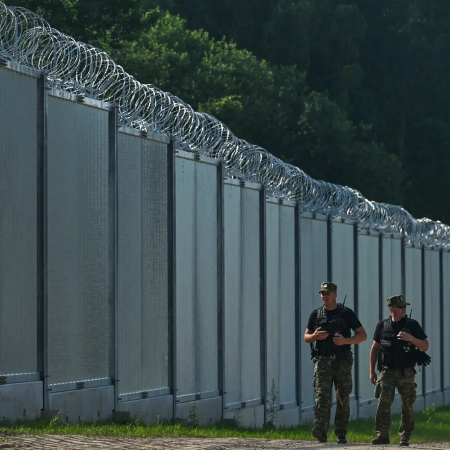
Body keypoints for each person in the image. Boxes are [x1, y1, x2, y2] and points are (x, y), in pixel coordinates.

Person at [304, 282, 367, 444]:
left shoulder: (346, 313)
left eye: (327, 293)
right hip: (323, 360)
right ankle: (320, 429)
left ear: (335, 295)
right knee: (322, 395)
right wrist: (314, 337)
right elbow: (306, 336)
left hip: (342, 361)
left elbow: (362, 335)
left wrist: (346, 341)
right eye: (322, 294)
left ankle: (341, 432)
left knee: (342, 396)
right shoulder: (316, 314)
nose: (324, 297)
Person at [370, 295, 429, 446]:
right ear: (392, 309)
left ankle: (405, 436)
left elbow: (425, 346)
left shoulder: (411, 325)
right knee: (383, 402)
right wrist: (372, 370)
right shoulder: (382, 326)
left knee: (407, 404)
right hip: (387, 371)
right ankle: (382, 435)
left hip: (406, 372)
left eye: (405, 306)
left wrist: (411, 338)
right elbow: (375, 348)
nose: (404, 309)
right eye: (401, 307)